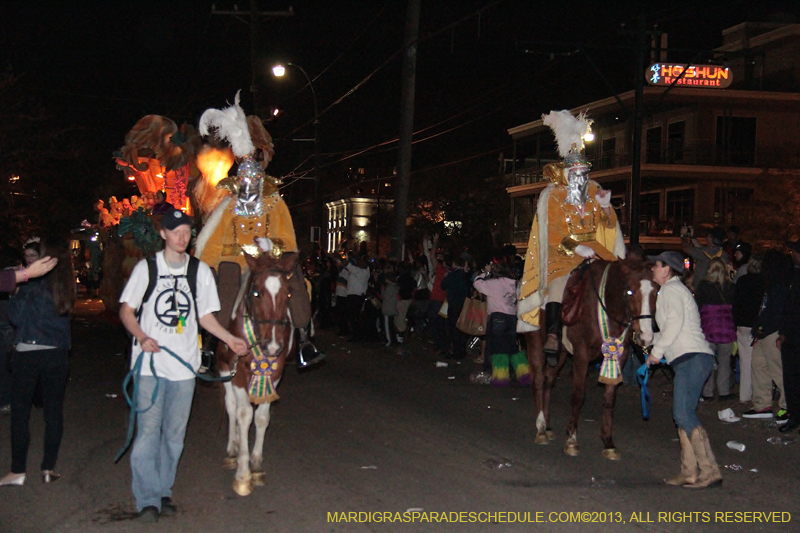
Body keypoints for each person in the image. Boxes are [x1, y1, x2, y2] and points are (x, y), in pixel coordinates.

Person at [119, 207, 249, 522]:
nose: (182, 237)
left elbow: (205, 317)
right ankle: (147, 499)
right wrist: (141, 335)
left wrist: (229, 339)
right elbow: (126, 310)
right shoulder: (146, 269)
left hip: (184, 368)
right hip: (149, 366)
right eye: (175, 231)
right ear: (163, 233)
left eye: (187, 232)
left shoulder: (200, 272)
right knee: (148, 433)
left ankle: (163, 492)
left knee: (174, 436)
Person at [194, 94, 322, 369]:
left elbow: (287, 238)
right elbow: (213, 242)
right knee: (224, 290)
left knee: (295, 279)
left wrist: (272, 246)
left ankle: (304, 340)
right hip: (234, 261)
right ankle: (210, 346)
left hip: (268, 259)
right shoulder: (227, 205)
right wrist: (205, 266)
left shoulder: (274, 202)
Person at [518, 110, 625, 366]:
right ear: (566, 173)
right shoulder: (553, 197)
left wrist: (608, 207)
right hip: (564, 255)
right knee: (557, 287)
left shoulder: (594, 191)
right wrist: (576, 248)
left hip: (596, 250)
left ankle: (628, 331)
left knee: (622, 280)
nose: (581, 177)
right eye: (575, 172)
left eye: (584, 172)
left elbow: (607, 225)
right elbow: (553, 234)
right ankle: (553, 335)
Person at [0, 236, 75, 487]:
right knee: (53, 411)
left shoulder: (32, 287)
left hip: (28, 352)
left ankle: (17, 471)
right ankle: (48, 468)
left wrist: (18, 290)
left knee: (20, 413)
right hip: (56, 353)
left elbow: (15, 316)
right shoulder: (65, 287)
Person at [646, 251, 721, 489]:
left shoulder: (670, 290)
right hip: (691, 358)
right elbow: (676, 327)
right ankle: (689, 471)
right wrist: (650, 339)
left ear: (667, 269)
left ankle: (709, 470)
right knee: (682, 415)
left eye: (656, 266)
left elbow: (676, 324)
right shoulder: (674, 290)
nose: (652, 270)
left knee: (683, 415)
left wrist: (656, 352)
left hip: (692, 359)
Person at [743, 250, 791, 422]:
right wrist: (757, 328)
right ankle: (762, 405)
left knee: (778, 371)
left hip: (772, 333)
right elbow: (764, 310)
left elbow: (777, 313)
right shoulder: (770, 285)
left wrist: (764, 328)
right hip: (763, 333)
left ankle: (787, 407)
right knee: (759, 367)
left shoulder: (780, 287)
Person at [695, 258, 737, 401]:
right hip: (726, 328)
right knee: (724, 361)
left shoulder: (703, 286)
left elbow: (698, 306)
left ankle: (708, 392)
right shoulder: (730, 286)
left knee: (708, 360)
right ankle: (724, 391)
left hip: (709, 327)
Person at [474, 261, 519, 386]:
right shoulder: (514, 283)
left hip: (498, 317)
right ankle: (516, 372)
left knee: (494, 346)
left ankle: (495, 375)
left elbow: (477, 284)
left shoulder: (494, 283)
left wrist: (484, 273)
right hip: (512, 318)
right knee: (511, 346)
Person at [733, 254, 764, 404]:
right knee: (757, 363)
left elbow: (736, 303)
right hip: (755, 326)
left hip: (741, 325)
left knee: (744, 361)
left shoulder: (742, 281)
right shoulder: (763, 283)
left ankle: (744, 394)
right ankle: (758, 395)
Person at [778, 240, 800, 433]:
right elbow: (788, 308)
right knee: (791, 380)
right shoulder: (793, 275)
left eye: (794, 252)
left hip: (795, 336)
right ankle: (794, 416)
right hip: (791, 337)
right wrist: (783, 332)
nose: (792, 254)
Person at [682, 226, 729, 291]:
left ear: (711, 239)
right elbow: (702, 249)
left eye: (708, 236)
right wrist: (692, 237)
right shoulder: (724, 254)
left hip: (702, 292)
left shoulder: (705, 254)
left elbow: (686, 248)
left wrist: (683, 236)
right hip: (717, 291)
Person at [441, 256, 471, 360]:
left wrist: (446, 277)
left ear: (454, 263)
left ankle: (456, 351)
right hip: (465, 305)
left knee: (453, 328)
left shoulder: (452, 275)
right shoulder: (466, 275)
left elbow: (443, 286)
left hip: (454, 304)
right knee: (462, 328)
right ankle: (462, 351)